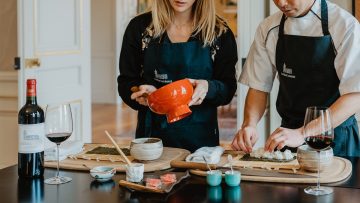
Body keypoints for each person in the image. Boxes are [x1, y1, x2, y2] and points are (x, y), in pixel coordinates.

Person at [232, 0, 360, 157]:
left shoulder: (344, 25)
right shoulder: (268, 28)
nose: (281, 3)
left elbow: (355, 95)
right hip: (288, 136)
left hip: (336, 137)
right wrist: (249, 124)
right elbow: (258, 86)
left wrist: (303, 133)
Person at [118, 0, 237, 152]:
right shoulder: (140, 28)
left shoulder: (219, 32)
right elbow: (126, 82)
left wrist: (208, 87)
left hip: (201, 140)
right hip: (152, 140)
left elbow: (228, 87)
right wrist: (139, 92)